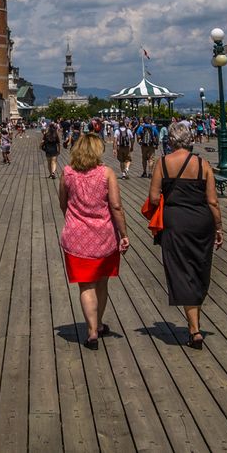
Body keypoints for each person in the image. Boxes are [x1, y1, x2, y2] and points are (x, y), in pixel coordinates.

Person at [147, 120, 221, 349]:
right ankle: (195, 321)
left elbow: (152, 198)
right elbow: (212, 201)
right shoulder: (203, 165)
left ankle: (194, 329)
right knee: (200, 267)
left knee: (181, 270)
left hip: (175, 222)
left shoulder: (163, 163)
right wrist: (218, 227)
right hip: (202, 222)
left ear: (170, 141)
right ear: (189, 140)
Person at [60, 134, 128, 348]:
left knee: (85, 285)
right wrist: (124, 234)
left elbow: (63, 203)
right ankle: (98, 323)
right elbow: (116, 206)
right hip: (104, 236)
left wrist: (74, 220)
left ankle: (91, 332)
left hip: (76, 237)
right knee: (101, 282)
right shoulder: (106, 173)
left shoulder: (67, 173)